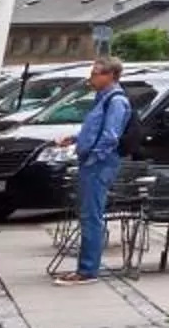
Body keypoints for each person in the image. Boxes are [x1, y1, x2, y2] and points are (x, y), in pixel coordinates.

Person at [52, 61, 129, 287]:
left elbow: (110, 136)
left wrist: (94, 157)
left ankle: (87, 270)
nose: (91, 78)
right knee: (88, 215)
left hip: (99, 165)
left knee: (91, 216)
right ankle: (86, 268)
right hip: (92, 162)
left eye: (95, 74)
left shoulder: (116, 101)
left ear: (111, 75)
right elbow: (95, 129)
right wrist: (76, 139)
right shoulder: (103, 99)